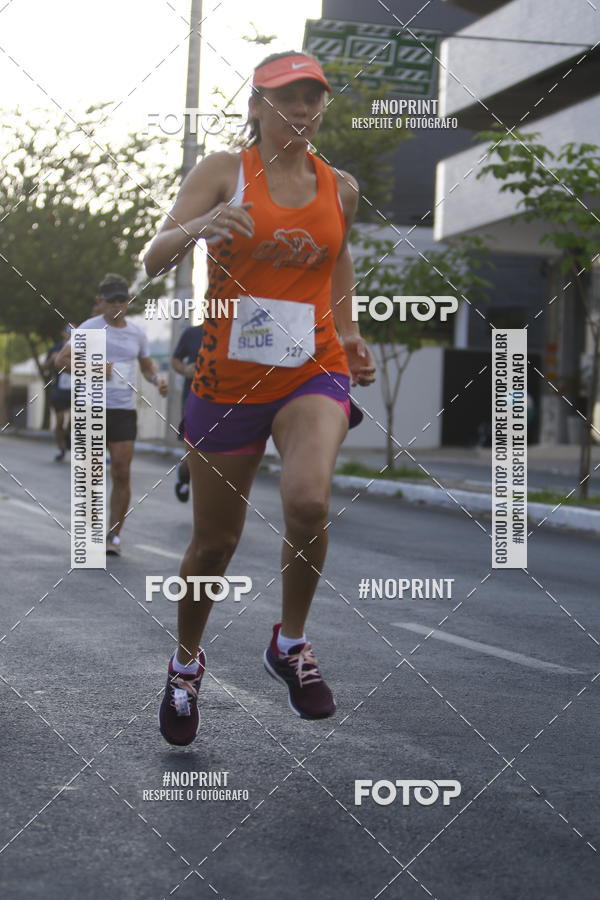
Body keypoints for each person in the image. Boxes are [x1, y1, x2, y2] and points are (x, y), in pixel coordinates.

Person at [144, 51, 376, 746]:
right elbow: (153, 256)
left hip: (313, 368)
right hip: (228, 377)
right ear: (254, 106)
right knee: (215, 543)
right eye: (284, 99)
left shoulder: (342, 187)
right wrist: (198, 229)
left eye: (311, 99)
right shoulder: (223, 172)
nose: (299, 111)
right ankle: (186, 664)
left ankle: (290, 642)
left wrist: (353, 332)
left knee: (308, 500)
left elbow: (336, 259)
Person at [56, 274, 168, 555]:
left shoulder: (137, 333)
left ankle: (113, 535)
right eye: (112, 300)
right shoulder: (89, 328)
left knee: (121, 471)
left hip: (122, 410)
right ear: (101, 302)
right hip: (91, 408)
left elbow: (146, 366)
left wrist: (157, 380)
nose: (118, 304)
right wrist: (95, 368)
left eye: (123, 299)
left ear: (128, 301)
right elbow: (63, 361)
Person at [170, 323, 204, 502]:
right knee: (195, 450)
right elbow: (175, 359)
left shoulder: (236, 332)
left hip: (226, 400)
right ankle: (184, 475)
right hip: (194, 398)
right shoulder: (192, 333)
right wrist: (185, 369)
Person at [44, 326, 72, 462]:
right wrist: (52, 360)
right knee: (60, 419)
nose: (70, 333)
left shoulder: (83, 348)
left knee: (76, 420)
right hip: (60, 390)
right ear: (62, 333)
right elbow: (44, 367)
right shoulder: (55, 349)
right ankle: (60, 447)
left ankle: (68, 436)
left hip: (78, 390)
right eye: (68, 330)